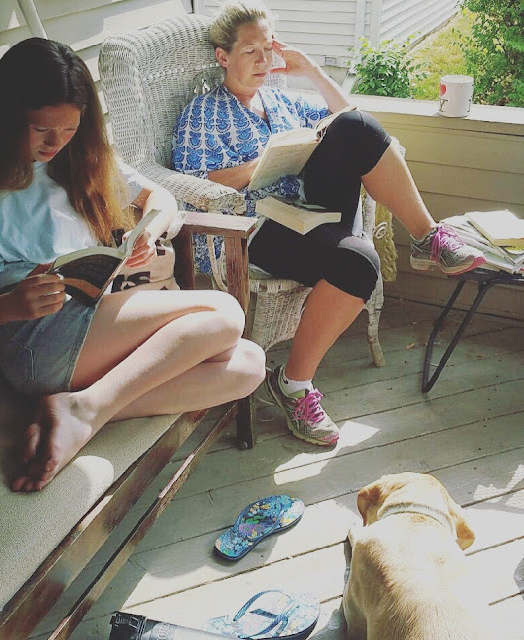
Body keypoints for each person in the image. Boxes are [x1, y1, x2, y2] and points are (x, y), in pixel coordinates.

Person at [0, 38, 265, 493]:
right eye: (40, 129)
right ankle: (84, 410)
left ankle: (85, 407)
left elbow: (160, 198)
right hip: (38, 340)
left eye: (69, 129)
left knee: (249, 366)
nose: (55, 142)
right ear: (8, 117)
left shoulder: (80, 161)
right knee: (225, 314)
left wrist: (149, 231)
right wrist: (11, 304)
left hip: (91, 325)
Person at [172, 0, 485, 447]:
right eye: (250, 51)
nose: (263, 60)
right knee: (360, 262)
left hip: (306, 208)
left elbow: (352, 121)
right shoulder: (204, 112)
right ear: (223, 56)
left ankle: (427, 237)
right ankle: (293, 384)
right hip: (252, 228)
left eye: (268, 49)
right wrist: (262, 165)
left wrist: (311, 70)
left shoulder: (280, 100)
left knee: (355, 125)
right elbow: (195, 181)